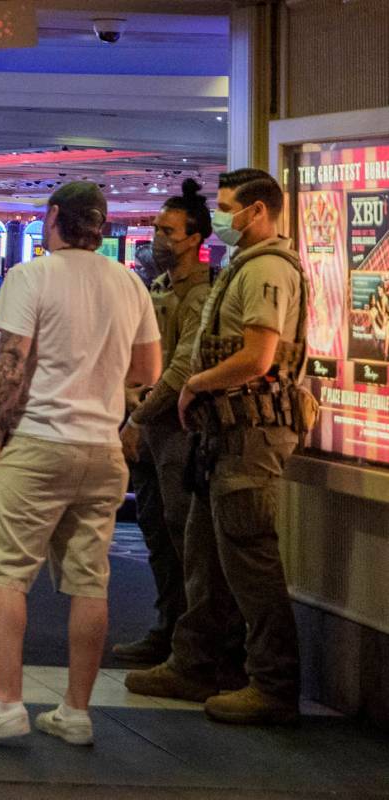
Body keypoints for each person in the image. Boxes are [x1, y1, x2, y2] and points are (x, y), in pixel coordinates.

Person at [0, 182, 161, 746]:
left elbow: (10, 364)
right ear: (103, 225)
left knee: (6, 572)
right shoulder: (130, 283)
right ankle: (75, 711)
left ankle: (5, 702)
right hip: (103, 448)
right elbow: (148, 372)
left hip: (40, 441)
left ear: (55, 216)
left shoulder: (30, 276)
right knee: (90, 581)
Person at [125, 168, 311, 725]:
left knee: (250, 560)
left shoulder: (268, 269)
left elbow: (258, 356)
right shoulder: (243, 266)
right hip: (222, 434)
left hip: (250, 433)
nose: (223, 216)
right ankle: (196, 664)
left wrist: (194, 385)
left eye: (229, 207)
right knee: (203, 552)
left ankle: (273, 685)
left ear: (258, 211)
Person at [114, 180, 215, 665]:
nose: (158, 238)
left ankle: (197, 645)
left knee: (184, 536)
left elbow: (181, 370)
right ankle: (167, 626)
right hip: (149, 428)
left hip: (180, 430)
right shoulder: (157, 288)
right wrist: (128, 396)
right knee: (154, 531)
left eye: (167, 231)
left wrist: (136, 416)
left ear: (194, 239)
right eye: (156, 228)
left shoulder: (205, 295)